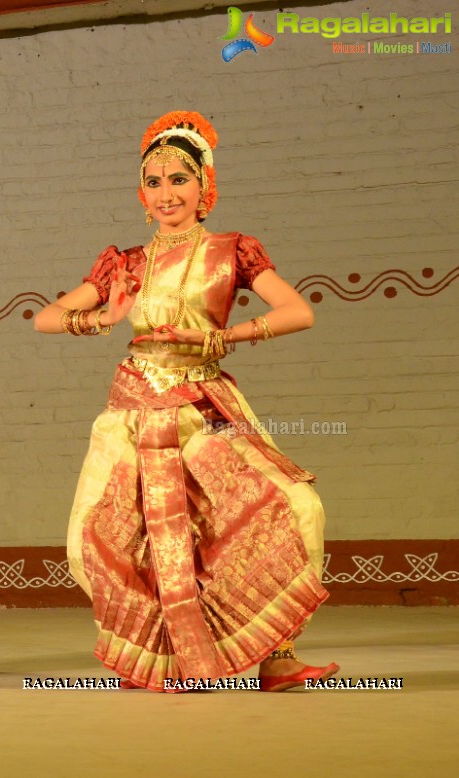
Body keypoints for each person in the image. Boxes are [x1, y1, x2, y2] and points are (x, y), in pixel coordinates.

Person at [34, 112, 339, 692]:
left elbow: (299, 311)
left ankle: (278, 658)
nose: (167, 193)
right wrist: (106, 315)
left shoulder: (233, 251)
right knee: (119, 537)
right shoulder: (124, 263)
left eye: (180, 179)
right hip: (134, 409)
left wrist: (220, 338)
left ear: (206, 189)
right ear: (141, 195)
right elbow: (44, 318)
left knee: (293, 507)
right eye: (154, 182)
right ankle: (156, 664)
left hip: (203, 405)